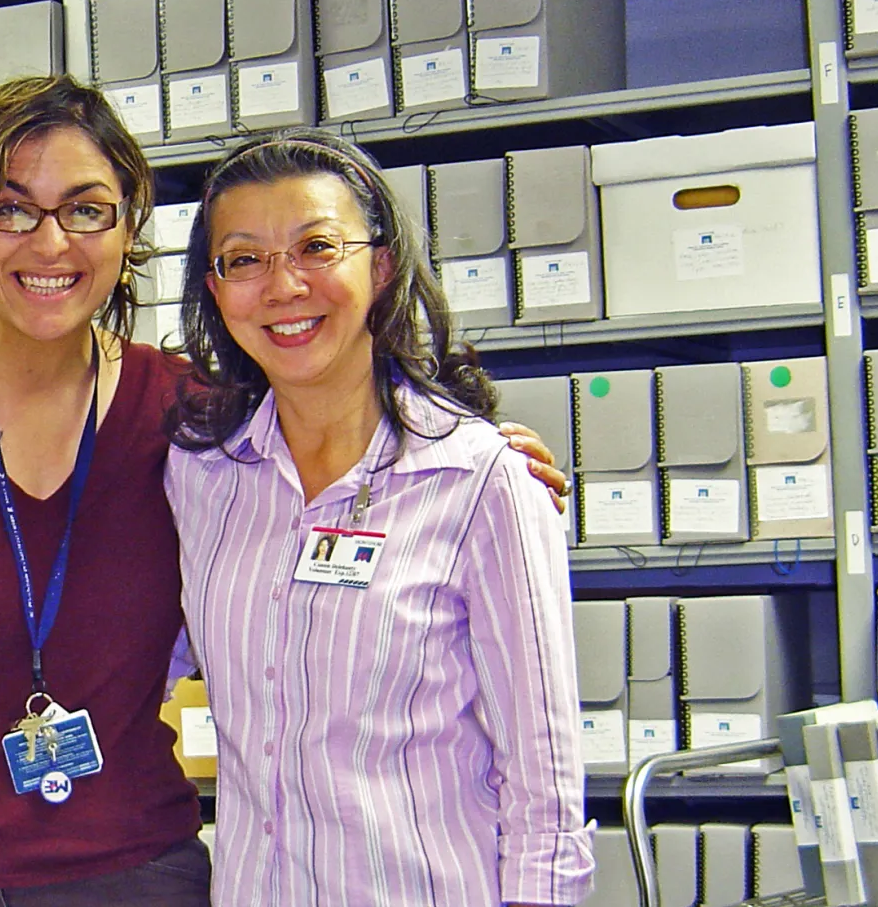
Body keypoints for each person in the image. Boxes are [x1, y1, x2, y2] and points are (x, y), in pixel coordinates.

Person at [0, 77, 570, 907]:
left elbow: (327, 456)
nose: (51, 244)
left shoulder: (189, 419)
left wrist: (483, 463)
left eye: (85, 208)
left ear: (127, 228)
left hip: (135, 868)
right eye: (11, 208)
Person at [163, 128, 594, 907]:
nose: (284, 284)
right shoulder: (200, 478)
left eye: (317, 247)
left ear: (381, 263)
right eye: (244, 259)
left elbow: (546, 782)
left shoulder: (482, 478)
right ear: (215, 289)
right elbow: (129, 659)